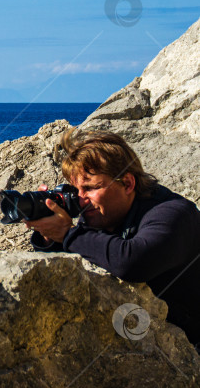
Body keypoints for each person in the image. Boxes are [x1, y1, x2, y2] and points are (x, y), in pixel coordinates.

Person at [24, 128, 200, 345]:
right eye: (76, 190)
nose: (80, 200)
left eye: (89, 188)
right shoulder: (102, 217)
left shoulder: (174, 214)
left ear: (127, 183)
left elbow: (133, 261)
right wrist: (49, 237)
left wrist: (69, 234)